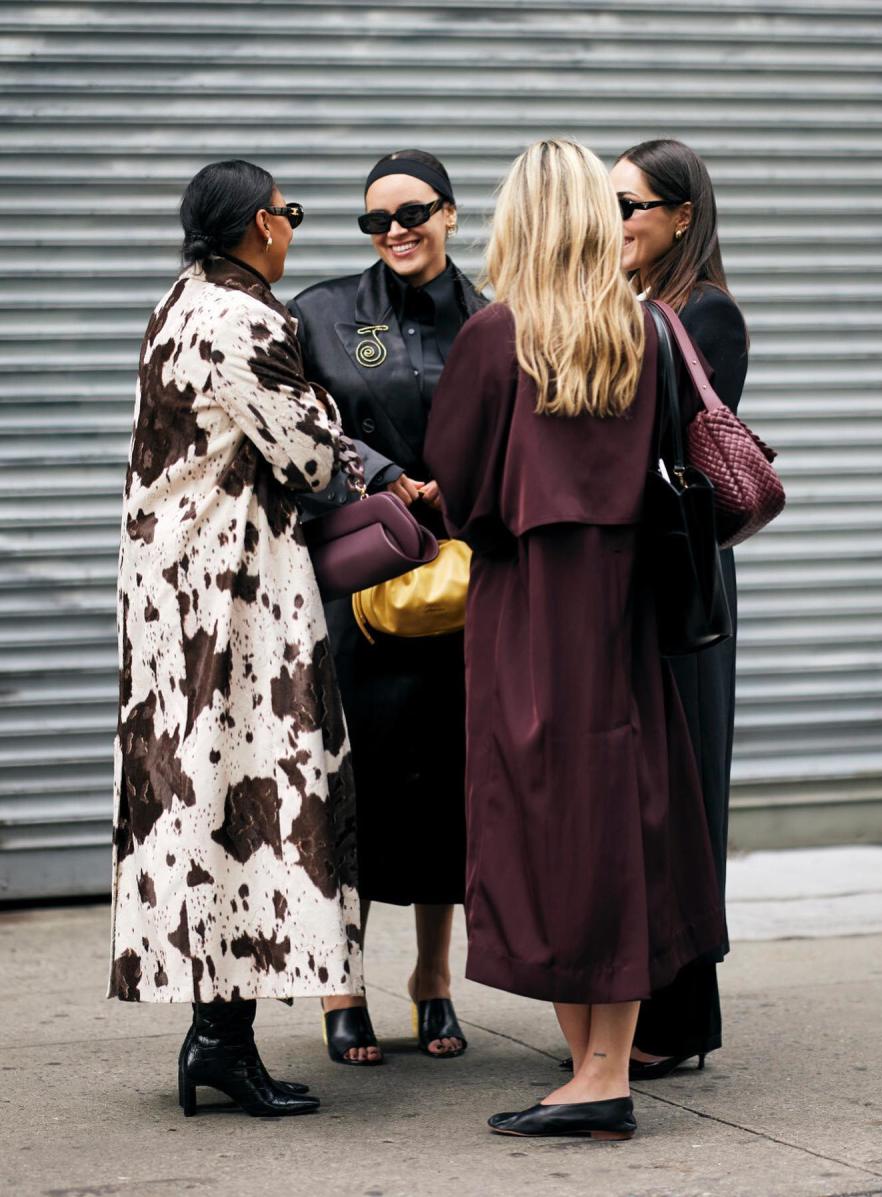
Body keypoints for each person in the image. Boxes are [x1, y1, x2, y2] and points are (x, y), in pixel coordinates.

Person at [424, 139, 726, 1140]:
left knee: (542, 824)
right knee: (625, 823)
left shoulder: (494, 335)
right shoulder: (646, 329)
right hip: (628, 615)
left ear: (518, 219)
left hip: (530, 614)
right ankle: (605, 1067)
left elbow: (460, 489)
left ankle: (595, 1081)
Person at [110, 159, 366, 1117]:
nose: (294, 227)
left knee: (202, 805)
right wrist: (335, 416)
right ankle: (221, 1041)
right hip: (234, 603)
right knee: (252, 806)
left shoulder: (179, 300)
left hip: (168, 596)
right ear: (261, 225)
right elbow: (305, 455)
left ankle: (220, 1038)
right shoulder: (247, 317)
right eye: (289, 213)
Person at [287, 150, 486, 1065]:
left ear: (449, 214)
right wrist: (379, 472)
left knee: (447, 788)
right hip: (354, 591)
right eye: (375, 220)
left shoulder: (491, 320)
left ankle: (433, 980)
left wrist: (465, 488)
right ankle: (343, 984)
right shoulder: (325, 314)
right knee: (348, 786)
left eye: (412, 213)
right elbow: (294, 421)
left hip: (453, 594)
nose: (394, 231)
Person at [608, 138, 749, 1079]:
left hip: (681, 578)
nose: (615, 222)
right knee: (637, 798)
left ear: (681, 216)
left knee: (687, 792)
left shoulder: (707, 315)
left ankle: (681, 1016)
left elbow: (675, 449)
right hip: (628, 580)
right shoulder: (633, 307)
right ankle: (640, 1002)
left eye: (631, 205)